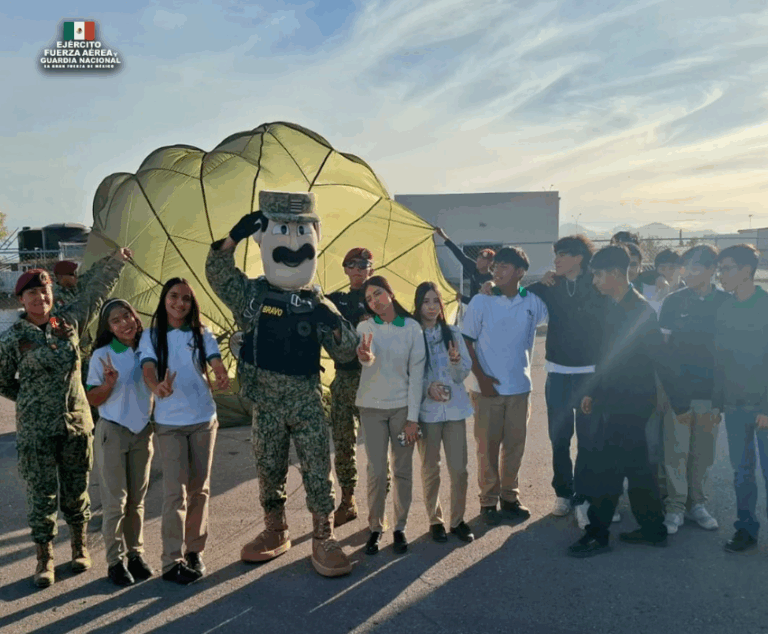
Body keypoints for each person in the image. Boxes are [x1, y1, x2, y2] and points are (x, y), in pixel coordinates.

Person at [206, 190, 358, 578]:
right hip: (267, 405)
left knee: (316, 470)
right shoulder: (254, 296)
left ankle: (323, 537)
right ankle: (275, 530)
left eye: (301, 231)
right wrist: (234, 237)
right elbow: (218, 273)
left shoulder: (317, 300)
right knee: (268, 468)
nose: (293, 244)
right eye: (283, 230)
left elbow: (347, 354)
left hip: (306, 401)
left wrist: (334, 325)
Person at [0, 249, 130, 588]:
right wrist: (28, 399)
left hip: (75, 426)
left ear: (51, 293)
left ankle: (79, 548)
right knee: (41, 497)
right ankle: (44, 560)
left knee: (77, 493)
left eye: (45, 292)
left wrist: (115, 260)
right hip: (36, 433)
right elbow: (2, 380)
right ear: (22, 299)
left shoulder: (68, 322)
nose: (40, 298)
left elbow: (94, 292)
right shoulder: (13, 338)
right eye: (32, 293)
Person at [568, 245, 669, 558]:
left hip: (632, 404)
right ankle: (654, 530)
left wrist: (666, 398)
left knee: (607, 469)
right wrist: (593, 393)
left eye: (598, 274)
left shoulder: (640, 311)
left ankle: (597, 534)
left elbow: (660, 359)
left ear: (614, 273)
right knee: (637, 468)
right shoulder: (612, 306)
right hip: (613, 400)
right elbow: (606, 359)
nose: (595, 280)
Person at [140, 278, 229, 585]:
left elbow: (214, 358)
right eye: (174, 297)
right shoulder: (151, 336)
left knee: (199, 489)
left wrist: (219, 371)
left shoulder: (201, 333)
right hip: (169, 424)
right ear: (165, 299)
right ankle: (170, 560)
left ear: (193, 305)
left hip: (203, 418)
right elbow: (148, 369)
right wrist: (157, 387)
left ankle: (194, 551)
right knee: (173, 494)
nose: (180, 303)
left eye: (187, 299)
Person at [525, 236, 614, 527]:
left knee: (589, 441)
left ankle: (585, 495)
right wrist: (491, 287)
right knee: (559, 438)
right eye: (556, 256)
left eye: (562, 255)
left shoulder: (597, 284)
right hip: (558, 375)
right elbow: (516, 293)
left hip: (590, 375)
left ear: (578, 257)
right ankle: (563, 493)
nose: (556, 261)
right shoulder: (552, 285)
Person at [462, 247, 548, 526]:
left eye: (504, 267)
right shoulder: (480, 301)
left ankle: (509, 497)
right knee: (486, 448)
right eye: (495, 266)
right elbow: (466, 342)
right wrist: (482, 377)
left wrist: (550, 281)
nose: (496, 271)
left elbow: (549, 302)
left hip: (519, 388)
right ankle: (488, 501)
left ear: (520, 272)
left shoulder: (532, 301)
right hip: (486, 389)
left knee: (514, 447)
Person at [657, 245, 730, 535]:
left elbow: (730, 356)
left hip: (711, 395)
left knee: (703, 453)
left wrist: (720, 400)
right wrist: (674, 396)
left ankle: (697, 504)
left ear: (712, 270)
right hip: (678, 394)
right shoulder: (674, 302)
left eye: (697, 268)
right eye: (686, 267)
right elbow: (663, 353)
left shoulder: (725, 302)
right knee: (675, 453)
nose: (688, 273)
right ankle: (674, 506)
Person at [86, 299, 154, 586]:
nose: (125, 323)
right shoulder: (103, 355)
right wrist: (108, 384)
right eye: (116, 320)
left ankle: (135, 554)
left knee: (137, 502)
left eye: (128, 315)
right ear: (109, 328)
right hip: (112, 432)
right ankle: (114, 561)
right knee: (116, 502)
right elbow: (92, 398)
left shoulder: (148, 349)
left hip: (142, 432)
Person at [356, 276, 426, 555]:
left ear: (391, 293)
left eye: (378, 294)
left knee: (402, 470)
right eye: (369, 299)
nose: (374, 301)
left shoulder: (412, 328)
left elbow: (417, 375)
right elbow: (366, 358)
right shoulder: (364, 327)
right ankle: (375, 527)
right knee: (376, 470)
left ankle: (400, 527)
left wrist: (413, 418)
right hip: (371, 408)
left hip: (401, 410)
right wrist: (365, 357)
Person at [713, 244, 768, 553]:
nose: (722, 275)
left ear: (747, 271)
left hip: (763, 408)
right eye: (720, 269)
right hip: (734, 407)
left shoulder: (765, 305)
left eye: (727, 268)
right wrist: (720, 402)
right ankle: (746, 529)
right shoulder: (725, 308)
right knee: (742, 473)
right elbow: (721, 359)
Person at [413, 281, 474, 543]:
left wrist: (456, 362)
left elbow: (462, 374)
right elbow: (409, 374)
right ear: (418, 306)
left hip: (455, 410)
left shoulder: (453, 333)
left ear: (441, 304)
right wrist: (428, 388)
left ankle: (457, 520)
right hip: (427, 413)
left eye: (435, 301)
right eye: (425, 301)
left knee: (459, 469)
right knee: (430, 468)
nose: (430, 306)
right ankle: (435, 520)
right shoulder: (413, 336)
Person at [326, 247, 375, 527]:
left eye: (363, 264)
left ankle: (379, 503)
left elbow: (405, 324)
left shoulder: (380, 299)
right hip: (344, 380)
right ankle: (348, 500)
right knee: (344, 444)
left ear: (371, 269)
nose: (357, 269)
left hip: (374, 380)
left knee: (378, 447)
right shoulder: (335, 301)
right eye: (352, 264)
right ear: (345, 269)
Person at [434, 227, 494, 304]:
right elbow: (459, 254)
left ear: (489, 263)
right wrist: (443, 236)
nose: (478, 261)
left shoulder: (492, 279)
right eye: (478, 258)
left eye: (482, 259)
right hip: (474, 308)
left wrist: (462, 298)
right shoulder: (474, 268)